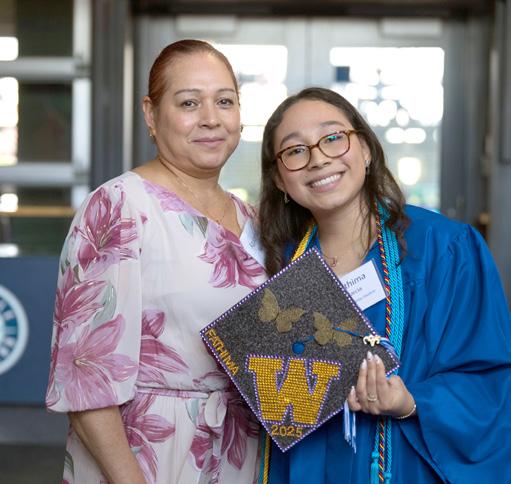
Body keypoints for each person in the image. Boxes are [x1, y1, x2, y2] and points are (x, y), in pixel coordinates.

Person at [257, 87, 511, 483]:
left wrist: (409, 401)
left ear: (366, 149)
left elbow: (489, 381)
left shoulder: (445, 248)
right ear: (279, 178)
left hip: (407, 467)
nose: (318, 158)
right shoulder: (277, 266)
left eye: (333, 137)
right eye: (295, 150)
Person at [45, 39, 266, 484]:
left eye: (225, 101)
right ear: (151, 114)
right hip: (149, 457)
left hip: (241, 456)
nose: (211, 118)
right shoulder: (120, 207)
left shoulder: (252, 219)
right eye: (189, 103)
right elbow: (87, 382)